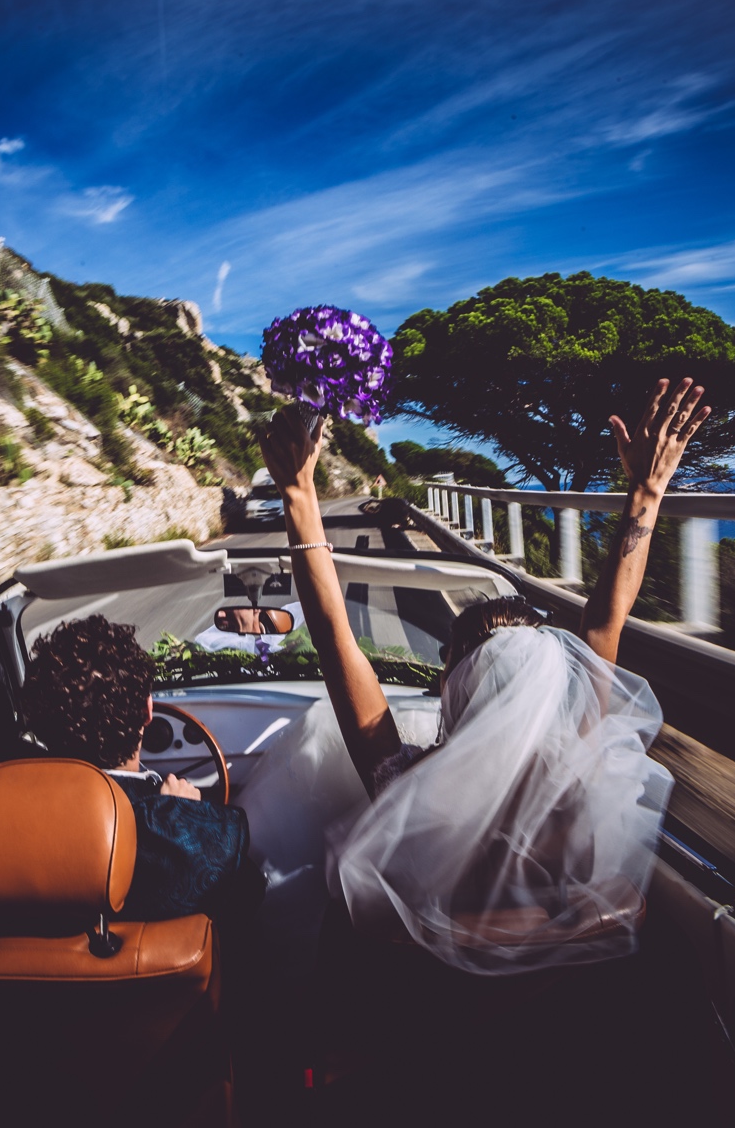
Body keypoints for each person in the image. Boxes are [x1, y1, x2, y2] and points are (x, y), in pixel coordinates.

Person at [239, 378, 710, 974]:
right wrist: (647, 489)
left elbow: (336, 642)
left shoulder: (402, 789)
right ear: (547, 684)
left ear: (452, 685)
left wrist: (299, 494)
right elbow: (604, 625)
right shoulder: (581, 782)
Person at [0, 429, 262, 922]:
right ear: (148, 712)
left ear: (36, 718)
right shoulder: (198, 838)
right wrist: (186, 812)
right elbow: (252, 905)